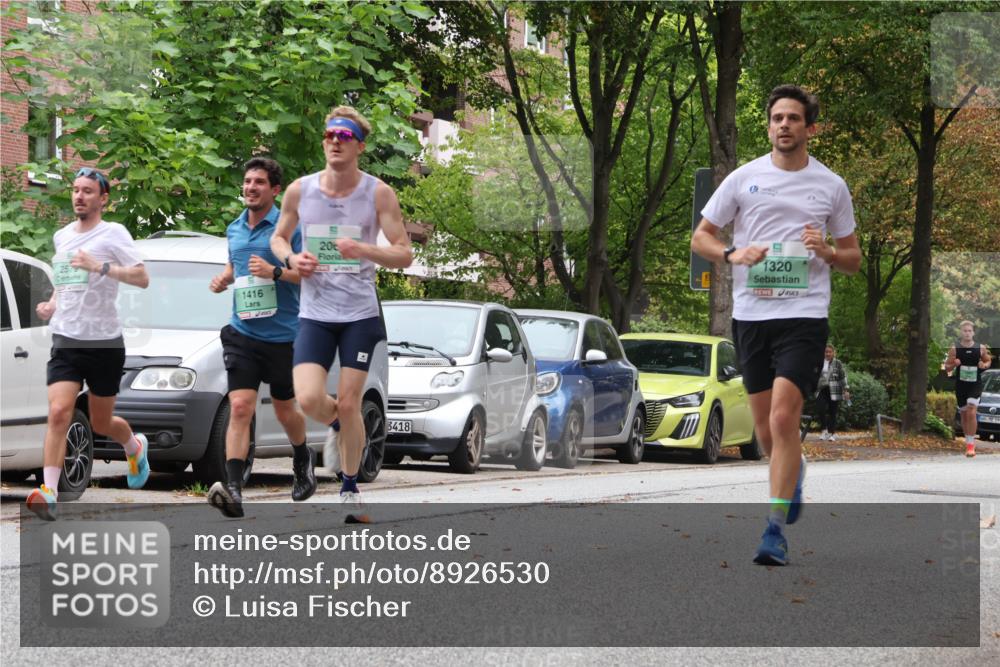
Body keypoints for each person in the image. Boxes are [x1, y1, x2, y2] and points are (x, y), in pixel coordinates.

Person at [691, 85, 862, 565]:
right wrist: (732, 253)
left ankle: (773, 530)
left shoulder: (831, 185)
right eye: (776, 118)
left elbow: (851, 259)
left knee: (785, 418)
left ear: (810, 128)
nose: (783, 125)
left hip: (804, 315)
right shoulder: (744, 179)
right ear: (768, 125)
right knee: (767, 434)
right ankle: (794, 473)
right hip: (751, 316)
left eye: (793, 118)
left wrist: (827, 251)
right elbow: (700, 237)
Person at [270, 106, 413, 523]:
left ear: (359, 146)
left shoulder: (378, 193)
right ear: (323, 142)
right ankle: (341, 426)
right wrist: (295, 257)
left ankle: (349, 489)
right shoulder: (300, 190)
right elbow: (278, 239)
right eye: (330, 134)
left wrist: (364, 249)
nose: (335, 140)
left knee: (351, 402)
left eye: (344, 136)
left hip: (359, 314)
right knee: (311, 399)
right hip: (315, 312)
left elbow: (404, 253)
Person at [27, 168, 151, 521]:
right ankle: (49, 491)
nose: (79, 196)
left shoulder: (114, 234)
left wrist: (102, 267)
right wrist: (53, 304)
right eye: (76, 190)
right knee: (58, 412)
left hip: (104, 343)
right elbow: (67, 280)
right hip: (66, 338)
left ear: (103, 198)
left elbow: (142, 277)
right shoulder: (62, 236)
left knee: (101, 421)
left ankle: (133, 445)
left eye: (87, 191)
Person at [205, 158, 313, 518]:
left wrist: (276, 271)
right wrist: (225, 279)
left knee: (285, 409)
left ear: (275, 190)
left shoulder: (289, 228)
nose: (251, 187)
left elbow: (308, 275)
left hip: (284, 336)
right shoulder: (235, 227)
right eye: (248, 181)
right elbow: (236, 264)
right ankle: (234, 488)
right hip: (243, 332)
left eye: (260, 182)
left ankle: (302, 455)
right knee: (240, 408)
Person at [945, 320, 992, 457]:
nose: (967, 333)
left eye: (969, 331)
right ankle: (968, 442)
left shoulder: (980, 348)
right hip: (961, 385)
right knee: (964, 415)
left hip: (975, 384)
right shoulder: (955, 348)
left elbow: (988, 361)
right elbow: (947, 367)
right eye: (965, 331)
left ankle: (971, 446)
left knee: (971, 409)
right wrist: (954, 363)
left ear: (973, 332)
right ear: (961, 332)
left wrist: (984, 365)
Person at [815, 344, 850, 441]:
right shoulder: (820, 362)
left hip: (834, 389)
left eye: (830, 352)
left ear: (833, 353)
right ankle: (824, 431)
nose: (828, 354)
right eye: (826, 352)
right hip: (822, 389)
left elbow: (843, 377)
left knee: (832, 412)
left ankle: (832, 433)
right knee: (820, 408)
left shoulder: (837, 363)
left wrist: (846, 389)